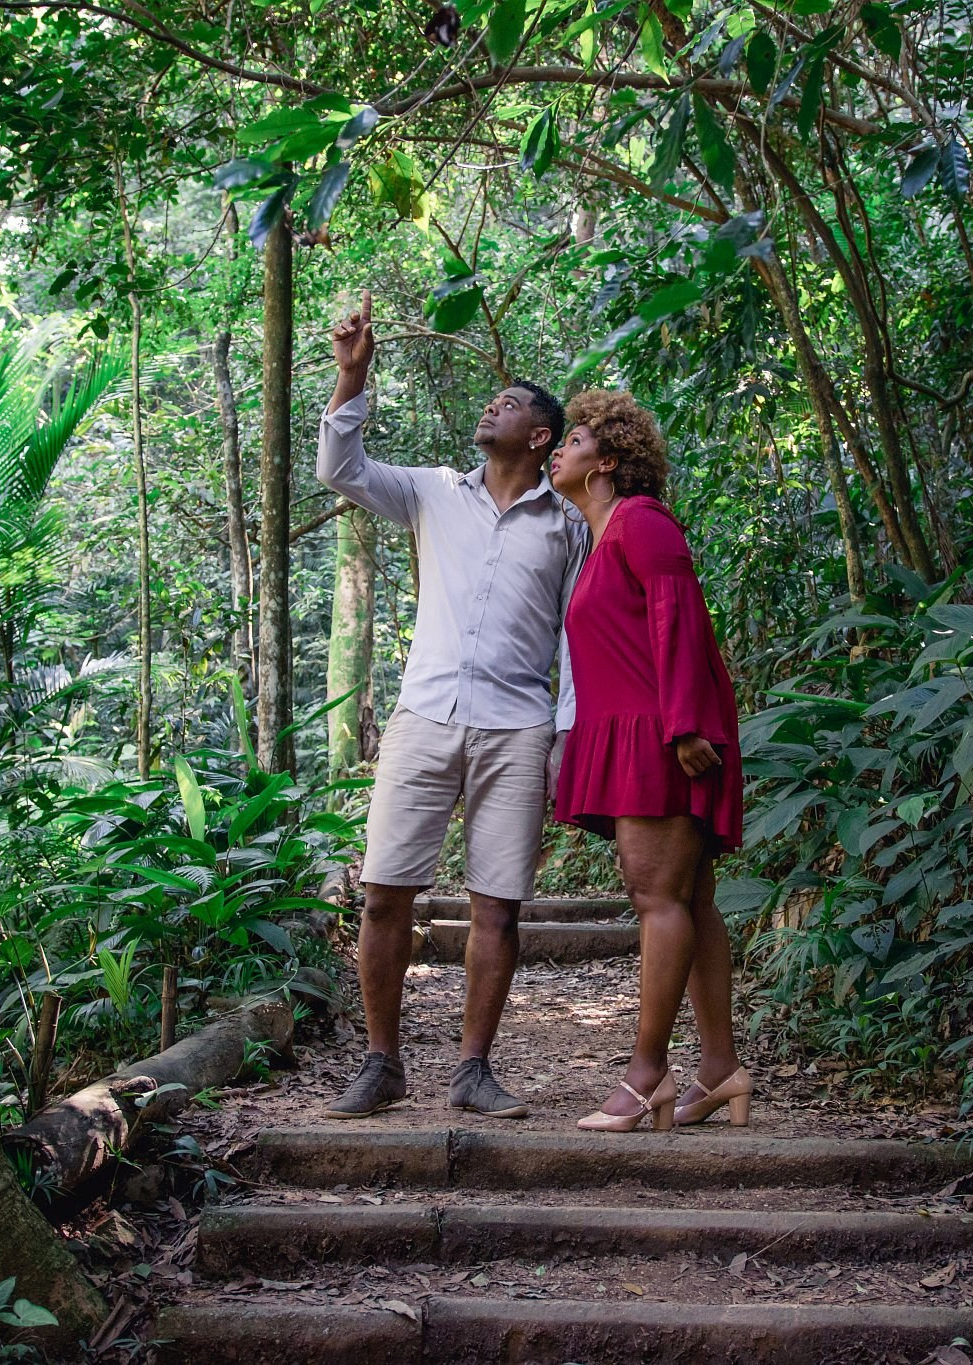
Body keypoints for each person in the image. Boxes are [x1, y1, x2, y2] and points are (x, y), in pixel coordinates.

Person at [315, 290, 586, 1122]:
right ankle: (381, 1061)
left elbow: (576, 639)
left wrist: (567, 737)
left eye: (507, 404)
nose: (490, 405)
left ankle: (473, 1068)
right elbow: (341, 470)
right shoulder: (432, 490)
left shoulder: (568, 524)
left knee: (497, 902)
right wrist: (350, 379)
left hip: (517, 728)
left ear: (539, 437)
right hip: (424, 715)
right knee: (386, 891)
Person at [547, 390, 749, 1133]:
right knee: (688, 900)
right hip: (638, 730)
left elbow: (679, 615)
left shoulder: (641, 520)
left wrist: (686, 725)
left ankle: (645, 1074)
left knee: (656, 897)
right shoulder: (603, 536)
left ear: (606, 461)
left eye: (572, 440)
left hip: (665, 735)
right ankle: (721, 1069)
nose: (558, 451)